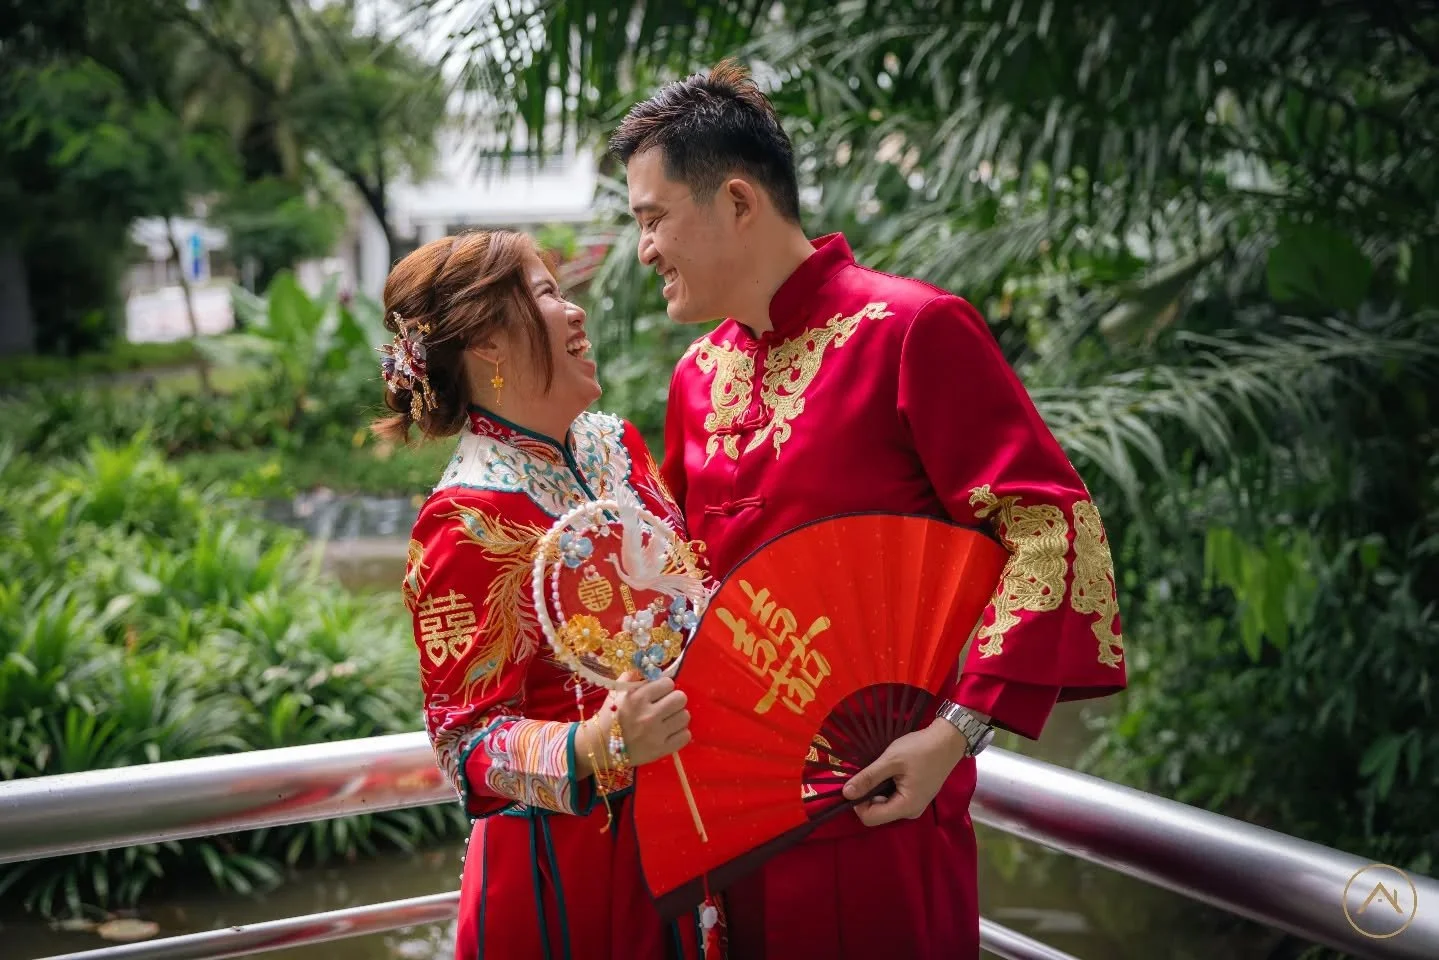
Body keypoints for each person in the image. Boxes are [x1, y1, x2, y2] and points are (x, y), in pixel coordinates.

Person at [610, 61, 1130, 959]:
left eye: (651, 219)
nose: (644, 250)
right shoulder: (696, 377)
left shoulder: (912, 331)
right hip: (731, 821)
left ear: (737, 201)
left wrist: (958, 730)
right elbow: (683, 584)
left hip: (884, 804)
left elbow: (1047, 526)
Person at [375, 230, 713, 960]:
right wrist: (597, 744)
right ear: (486, 342)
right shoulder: (467, 520)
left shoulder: (616, 445)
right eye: (547, 294)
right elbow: (464, 743)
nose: (575, 310)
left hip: (685, 820)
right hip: (566, 863)